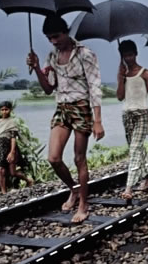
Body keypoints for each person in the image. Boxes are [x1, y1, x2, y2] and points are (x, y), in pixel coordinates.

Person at [26, 15, 105, 224]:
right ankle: (74, 188)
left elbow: (95, 88)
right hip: (62, 108)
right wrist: (36, 68)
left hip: (81, 107)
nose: (53, 41)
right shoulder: (51, 57)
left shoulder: (85, 54)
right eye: (49, 38)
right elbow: (48, 88)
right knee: (53, 158)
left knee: (79, 158)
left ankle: (83, 205)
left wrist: (98, 120)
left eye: (56, 36)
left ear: (66, 32)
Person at [116, 40, 148, 200]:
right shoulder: (122, 74)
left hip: (141, 113)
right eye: (125, 55)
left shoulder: (145, 73)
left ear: (135, 54)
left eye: (130, 54)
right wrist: (121, 78)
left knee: (135, 148)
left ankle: (129, 188)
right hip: (126, 114)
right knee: (137, 148)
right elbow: (120, 96)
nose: (128, 58)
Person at [0, 101, 34, 194]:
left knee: (13, 172)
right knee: (0, 170)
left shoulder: (12, 122)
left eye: (6, 109)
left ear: (10, 110)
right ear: (0, 111)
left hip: (10, 148)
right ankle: (4, 192)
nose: (4, 112)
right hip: (1, 148)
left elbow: (13, 138)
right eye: (2, 110)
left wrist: (12, 152)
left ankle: (28, 180)